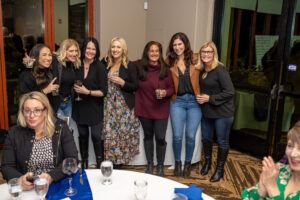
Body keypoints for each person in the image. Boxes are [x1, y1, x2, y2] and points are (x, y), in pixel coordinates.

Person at [1, 91, 78, 190]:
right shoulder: (14, 133)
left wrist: (51, 176)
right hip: (27, 190)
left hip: (57, 186)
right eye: (27, 110)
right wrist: (20, 180)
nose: (31, 115)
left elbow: (72, 159)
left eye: (37, 110)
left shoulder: (61, 128)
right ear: (22, 112)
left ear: (45, 111)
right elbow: (6, 166)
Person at [135, 41, 174, 177]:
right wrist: (107, 57)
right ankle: (150, 164)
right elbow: (124, 64)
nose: (154, 53)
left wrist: (165, 93)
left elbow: (171, 88)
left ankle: (161, 166)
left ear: (160, 53)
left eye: (157, 51)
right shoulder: (139, 66)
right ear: (147, 52)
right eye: (151, 51)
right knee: (148, 136)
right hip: (144, 108)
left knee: (160, 137)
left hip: (161, 109)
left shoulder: (166, 69)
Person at [196, 41, 234, 182]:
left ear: (214, 54)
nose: (206, 54)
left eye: (209, 52)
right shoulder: (202, 70)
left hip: (222, 113)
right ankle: (207, 163)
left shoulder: (219, 70)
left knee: (222, 142)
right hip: (208, 112)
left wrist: (209, 98)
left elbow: (230, 92)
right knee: (206, 138)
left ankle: (219, 169)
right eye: (203, 52)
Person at [166, 32, 202, 178]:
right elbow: (150, 62)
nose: (177, 47)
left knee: (191, 136)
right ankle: (178, 163)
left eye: (179, 44)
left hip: (195, 102)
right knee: (177, 136)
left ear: (185, 44)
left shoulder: (196, 58)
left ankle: (188, 163)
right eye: (174, 45)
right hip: (177, 102)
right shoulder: (169, 61)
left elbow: (212, 60)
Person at [102, 37, 140, 167]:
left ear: (123, 49)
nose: (115, 49)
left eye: (118, 47)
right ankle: (112, 163)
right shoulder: (106, 64)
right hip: (109, 106)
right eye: (113, 47)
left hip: (123, 107)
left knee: (122, 136)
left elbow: (135, 86)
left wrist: (123, 83)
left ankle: (120, 166)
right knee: (110, 135)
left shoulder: (129, 65)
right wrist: (104, 58)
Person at [72, 38, 107, 169]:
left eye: (93, 49)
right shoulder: (76, 64)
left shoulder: (100, 67)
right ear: (84, 49)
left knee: (96, 136)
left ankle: (100, 164)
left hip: (95, 107)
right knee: (83, 135)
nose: (90, 51)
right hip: (79, 106)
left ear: (96, 51)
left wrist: (88, 92)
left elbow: (104, 92)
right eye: (88, 48)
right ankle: (85, 163)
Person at [241, 121, 300, 199]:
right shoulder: (278, 170)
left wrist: (274, 190)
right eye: (290, 146)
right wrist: (260, 192)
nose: (293, 154)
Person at [19, 44, 60, 112]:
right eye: (44, 55)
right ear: (36, 57)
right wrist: (45, 91)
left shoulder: (50, 71)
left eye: (50, 55)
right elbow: (25, 99)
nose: (48, 58)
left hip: (51, 115)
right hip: (34, 116)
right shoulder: (27, 75)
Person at [52, 39, 81, 119]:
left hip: (68, 101)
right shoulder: (55, 61)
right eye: (71, 51)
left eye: (76, 51)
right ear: (64, 51)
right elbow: (41, 59)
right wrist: (29, 63)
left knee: (66, 128)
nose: (74, 53)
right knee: (58, 128)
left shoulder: (73, 64)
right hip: (56, 102)